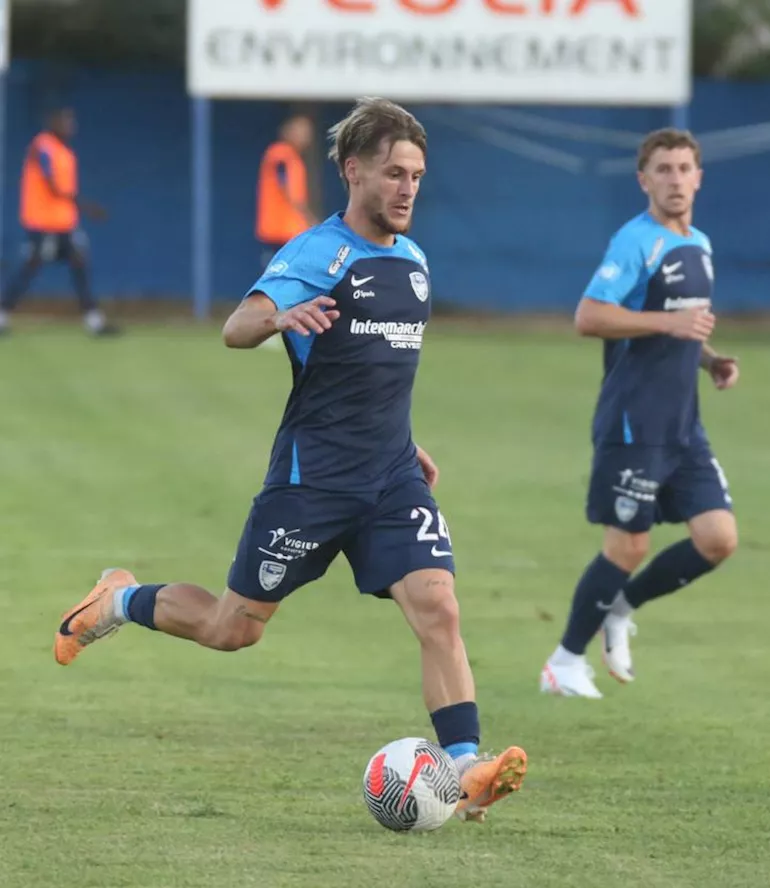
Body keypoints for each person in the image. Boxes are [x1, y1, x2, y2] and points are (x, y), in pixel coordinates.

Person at [53, 97, 526, 821]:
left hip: (390, 475)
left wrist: (405, 439)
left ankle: (466, 769)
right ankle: (116, 598)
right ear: (353, 170)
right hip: (313, 483)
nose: (407, 188)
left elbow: (379, 370)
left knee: (438, 606)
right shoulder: (319, 252)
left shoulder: (416, 263)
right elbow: (237, 328)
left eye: (418, 175)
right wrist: (280, 314)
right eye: (394, 173)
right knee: (230, 628)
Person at [540, 128, 740, 699]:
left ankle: (620, 607)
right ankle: (564, 662)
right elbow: (590, 315)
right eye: (664, 169)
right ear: (643, 180)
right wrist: (670, 325)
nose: (675, 179)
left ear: (698, 176)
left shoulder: (698, 243)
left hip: (683, 426)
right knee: (627, 546)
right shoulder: (635, 243)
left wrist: (708, 359)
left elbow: (683, 326)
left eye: (684, 168)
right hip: (634, 424)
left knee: (718, 539)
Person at [0, 107, 117, 336]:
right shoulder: (42, 146)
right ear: (52, 122)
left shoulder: (65, 152)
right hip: (43, 224)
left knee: (79, 263)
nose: (70, 125)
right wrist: (85, 206)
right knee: (30, 268)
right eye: (65, 121)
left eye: (72, 121)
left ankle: (93, 321)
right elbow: (52, 185)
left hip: (64, 224)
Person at [257, 113, 318, 269]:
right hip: (279, 229)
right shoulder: (281, 153)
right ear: (288, 132)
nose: (305, 137)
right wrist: (308, 218)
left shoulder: (292, 157)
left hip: (289, 229)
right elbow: (287, 188)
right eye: (301, 131)